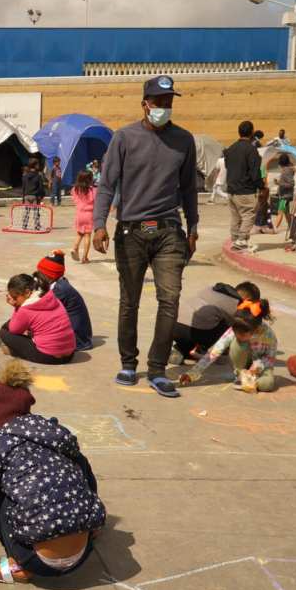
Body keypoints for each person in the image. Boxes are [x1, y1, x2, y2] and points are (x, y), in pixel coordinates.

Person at [92, 75, 199, 398]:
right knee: (130, 301)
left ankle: (157, 368)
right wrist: (100, 224)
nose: (164, 108)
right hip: (131, 232)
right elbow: (107, 184)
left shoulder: (184, 140)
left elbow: (189, 188)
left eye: (169, 102)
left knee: (170, 299)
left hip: (169, 231)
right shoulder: (124, 138)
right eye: (158, 102)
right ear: (145, 104)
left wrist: (193, 226)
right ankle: (128, 362)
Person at [0, 360, 105, 584]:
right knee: (75, 468)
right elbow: (88, 477)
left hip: (36, 561)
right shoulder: (56, 434)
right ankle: (86, 532)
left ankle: (19, 564)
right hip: (84, 552)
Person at [179, 297, 278, 393]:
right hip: (243, 364)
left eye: (242, 334)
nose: (237, 335)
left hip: (261, 367)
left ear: (254, 330)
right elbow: (214, 352)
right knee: (238, 343)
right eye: (235, 332)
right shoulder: (235, 331)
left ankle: (251, 382)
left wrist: (257, 367)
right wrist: (192, 373)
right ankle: (240, 374)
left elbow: (269, 358)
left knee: (268, 384)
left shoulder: (269, 336)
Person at [0, 274, 76, 365]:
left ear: (27, 293)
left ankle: (14, 352)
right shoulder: (51, 297)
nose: (13, 299)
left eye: (15, 297)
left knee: (3, 332)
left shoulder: (26, 309)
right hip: (70, 354)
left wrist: (17, 307)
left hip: (50, 356)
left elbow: (14, 330)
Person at [172, 281, 258, 362]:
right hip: (195, 332)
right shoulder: (235, 304)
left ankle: (181, 350)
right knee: (233, 327)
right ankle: (206, 351)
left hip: (173, 326)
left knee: (208, 319)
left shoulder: (213, 289)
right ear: (248, 300)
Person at [33, 250, 93, 351]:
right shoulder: (59, 284)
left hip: (77, 340)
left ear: (49, 275)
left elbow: (41, 313)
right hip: (75, 337)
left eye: (40, 273)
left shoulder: (60, 290)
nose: (37, 276)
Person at [224, 120, 263, 251]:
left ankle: (235, 239)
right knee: (248, 215)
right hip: (245, 190)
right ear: (252, 132)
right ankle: (241, 240)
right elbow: (255, 172)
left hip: (231, 190)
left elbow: (227, 166)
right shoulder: (251, 150)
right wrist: (261, 187)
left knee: (235, 216)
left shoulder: (230, 148)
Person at [71, 170, 96, 263]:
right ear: (90, 179)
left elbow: (74, 200)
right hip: (89, 214)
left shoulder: (75, 189)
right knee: (87, 235)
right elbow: (96, 201)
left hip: (79, 214)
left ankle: (75, 248)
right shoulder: (93, 190)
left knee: (79, 233)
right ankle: (84, 258)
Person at [275, 153, 296, 230]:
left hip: (285, 196)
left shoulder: (287, 171)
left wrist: (279, 183)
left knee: (280, 212)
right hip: (285, 195)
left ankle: (275, 228)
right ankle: (292, 228)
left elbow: (291, 184)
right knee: (286, 213)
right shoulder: (287, 170)